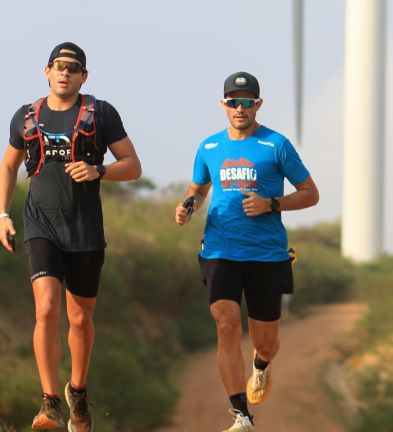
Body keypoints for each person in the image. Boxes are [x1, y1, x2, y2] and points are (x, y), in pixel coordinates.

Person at [0, 42, 142, 431]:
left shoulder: (101, 114)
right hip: (40, 225)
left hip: (84, 229)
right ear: (46, 71)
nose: (65, 73)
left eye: (73, 68)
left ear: (84, 76)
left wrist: (100, 171)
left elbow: (132, 166)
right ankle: (49, 403)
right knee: (46, 309)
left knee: (80, 318)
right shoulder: (25, 117)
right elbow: (9, 166)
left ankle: (77, 391)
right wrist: (2, 215)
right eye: (58, 66)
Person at [175, 71, 319, 432]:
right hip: (220, 250)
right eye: (233, 102)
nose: (240, 108)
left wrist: (272, 204)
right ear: (223, 105)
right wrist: (188, 205)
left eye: (247, 102)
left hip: (266, 255)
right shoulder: (209, 147)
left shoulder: (276, 145)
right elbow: (198, 187)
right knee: (226, 325)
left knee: (266, 343)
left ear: (258, 104)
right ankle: (241, 415)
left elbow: (310, 193)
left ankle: (261, 365)